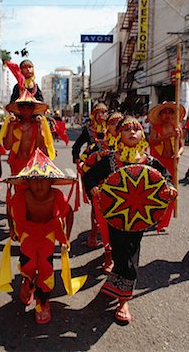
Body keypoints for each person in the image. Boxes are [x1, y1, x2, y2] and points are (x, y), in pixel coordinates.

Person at [83, 116, 176, 324]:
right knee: (118, 251)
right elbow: (89, 176)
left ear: (142, 134)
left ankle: (124, 300)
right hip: (114, 218)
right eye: (126, 129)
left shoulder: (149, 161)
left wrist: (169, 188)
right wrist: (93, 188)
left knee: (131, 254)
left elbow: (165, 177)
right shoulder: (109, 159)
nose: (132, 132)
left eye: (137, 129)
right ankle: (116, 281)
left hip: (138, 219)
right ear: (119, 134)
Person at [6, 148, 74, 324]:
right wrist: (12, 229)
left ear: (51, 181)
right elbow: (9, 209)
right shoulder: (22, 195)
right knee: (28, 263)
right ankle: (27, 282)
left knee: (45, 267)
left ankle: (42, 301)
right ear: (28, 180)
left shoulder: (57, 196)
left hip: (48, 234)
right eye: (35, 180)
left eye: (44, 180)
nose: (39, 185)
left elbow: (69, 212)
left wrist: (67, 237)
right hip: (27, 233)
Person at [80, 112, 124, 274]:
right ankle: (108, 254)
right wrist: (91, 182)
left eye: (121, 122)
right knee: (104, 225)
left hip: (124, 195)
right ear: (107, 126)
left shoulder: (132, 147)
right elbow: (84, 164)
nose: (117, 125)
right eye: (113, 122)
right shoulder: (97, 147)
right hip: (102, 193)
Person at [72, 103, 108, 248]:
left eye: (104, 112)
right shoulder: (89, 130)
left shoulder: (112, 130)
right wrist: (77, 161)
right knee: (95, 202)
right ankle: (93, 233)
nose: (102, 115)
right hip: (91, 170)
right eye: (98, 112)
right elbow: (76, 146)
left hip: (108, 168)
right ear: (93, 114)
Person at [148, 102, 185, 178]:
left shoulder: (177, 129)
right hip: (158, 161)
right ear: (160, 115)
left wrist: (178, 154)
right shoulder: (156, 128)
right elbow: (151, 142)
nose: (167, 115)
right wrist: (168, 136)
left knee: (171, 185)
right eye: (164, 113)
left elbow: (181, 147)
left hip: (172, 162)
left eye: (170, 113)